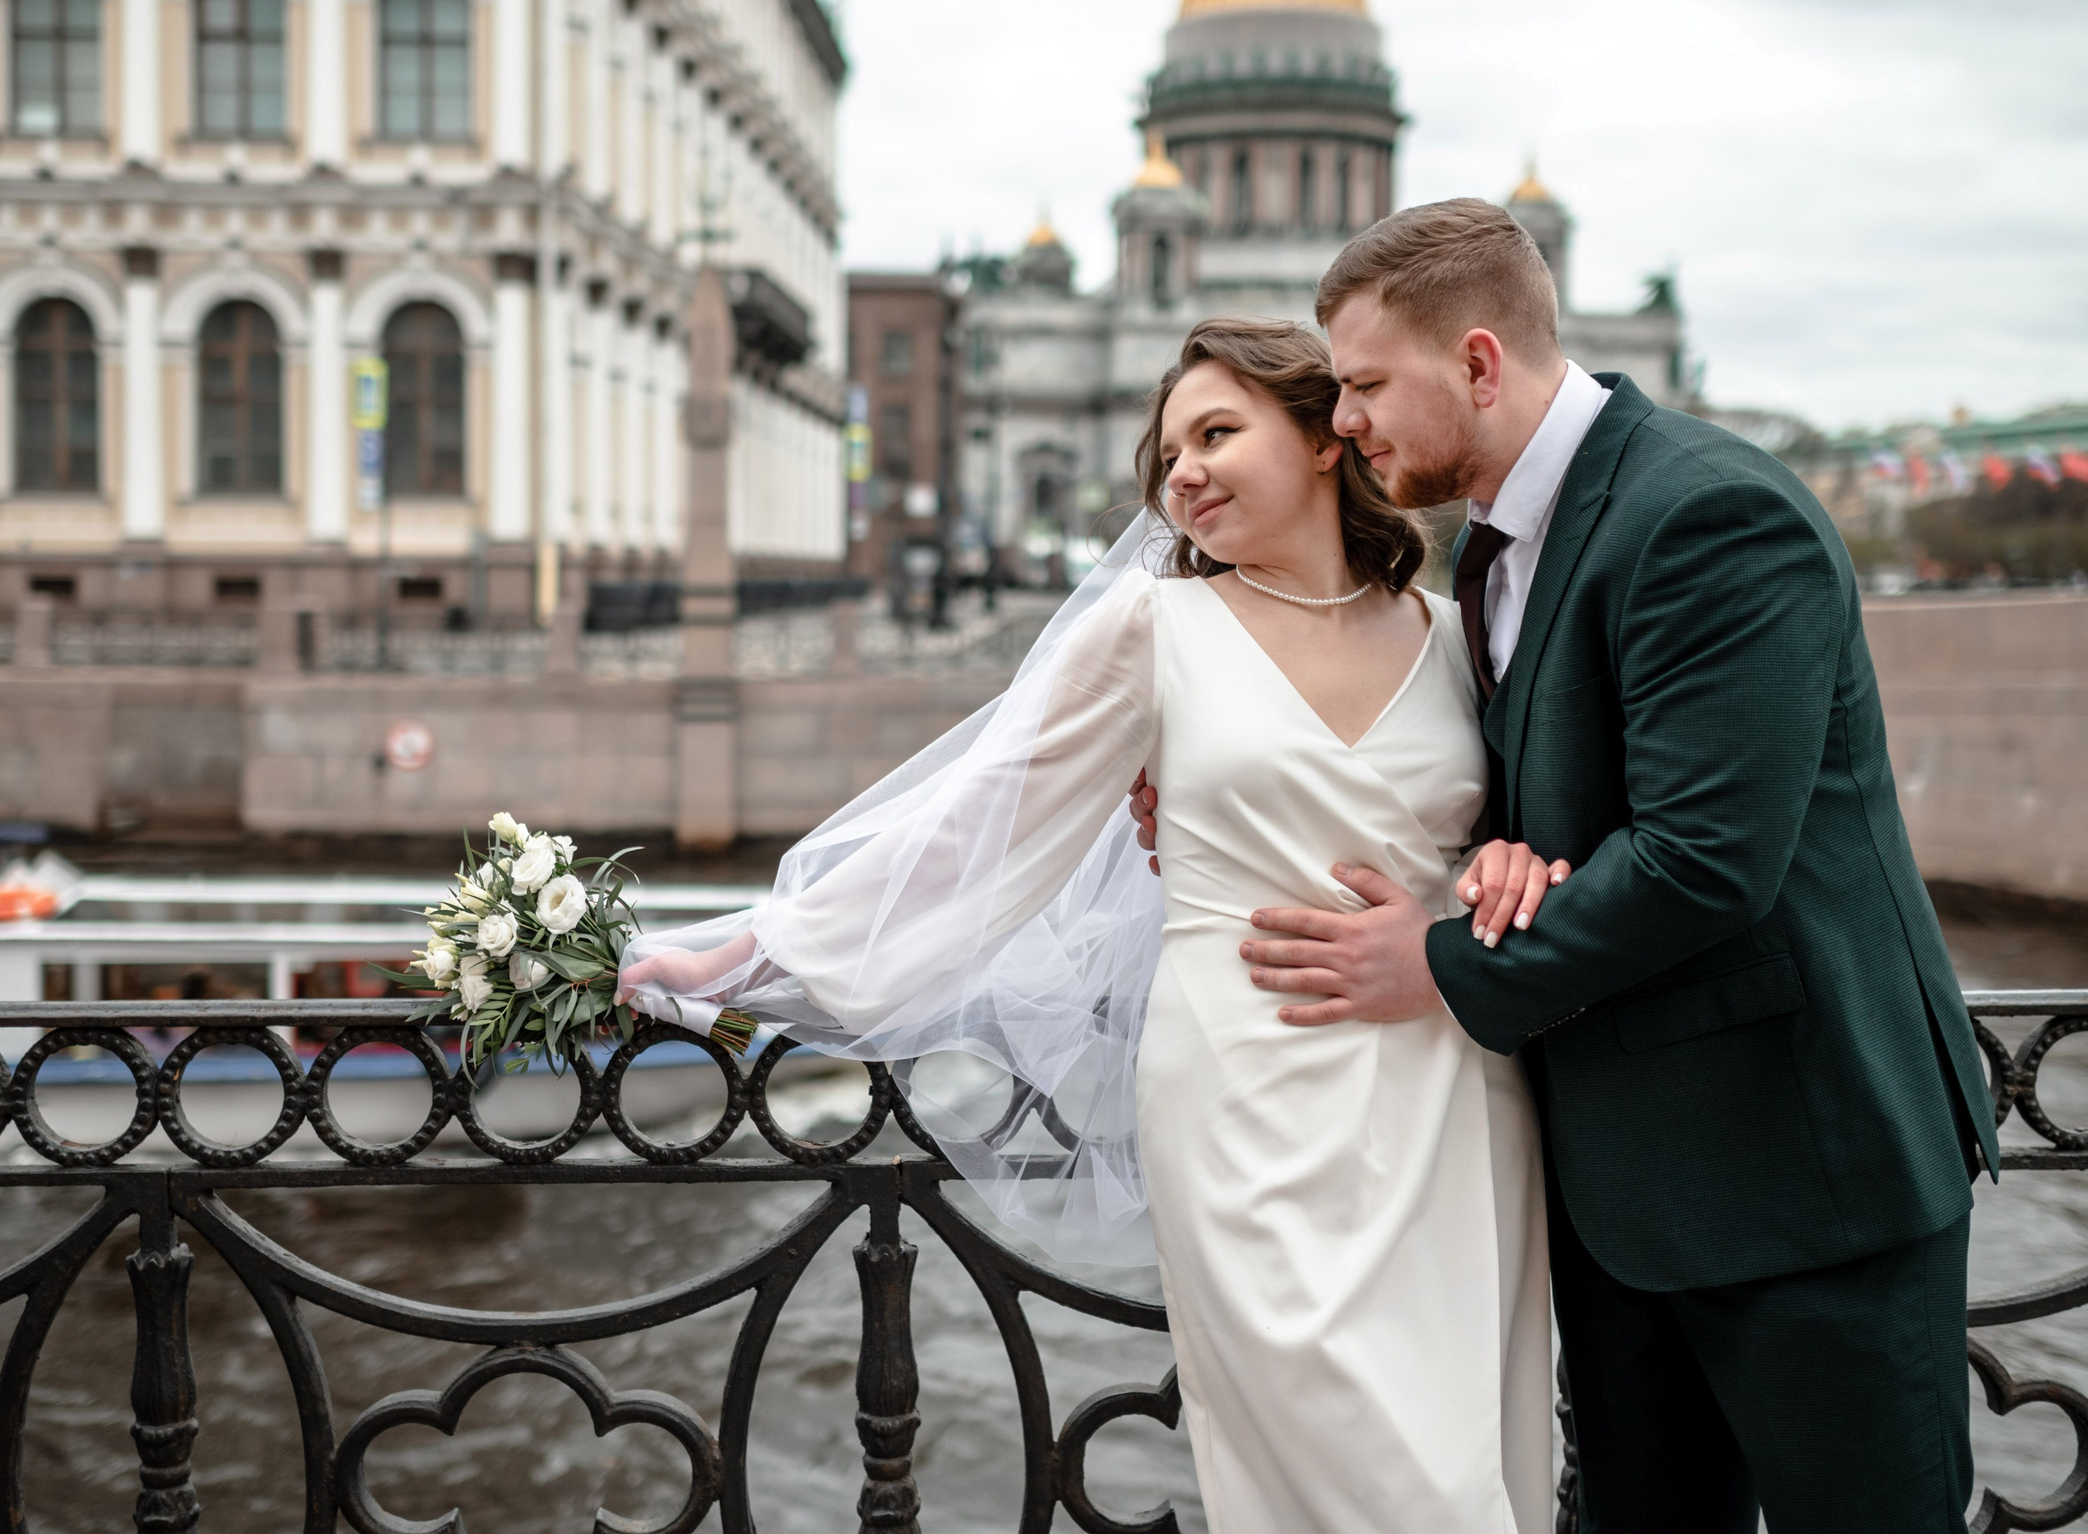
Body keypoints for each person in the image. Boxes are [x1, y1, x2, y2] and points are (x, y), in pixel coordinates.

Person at [621, 317, 1561, 1532]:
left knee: (1469, 1446)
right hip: (1249, 1088)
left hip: (1451, 1080)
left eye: (1218, 432)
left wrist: (1500, 865)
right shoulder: (1151, 627)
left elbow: (1526, 823)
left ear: (1326, 438)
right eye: (1168, 452)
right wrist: (751, 951)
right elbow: (972, 832)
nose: (1183, 473)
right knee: (1371, 1471)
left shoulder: (1453, 634)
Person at [1175, 198, 1997, 1533]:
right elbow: (1556, 796)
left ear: (1482, 362)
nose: (1346, 425)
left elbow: (1704, 858)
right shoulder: (1500, 540)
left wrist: (1435, 963)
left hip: (1802, 1176)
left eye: (1371, 385)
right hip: (1624, 1187)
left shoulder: (1708, 510)